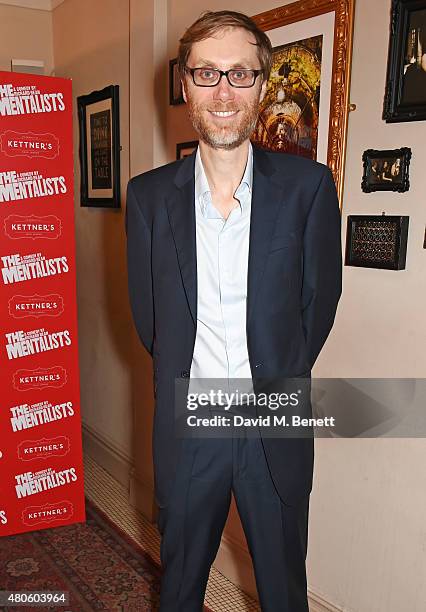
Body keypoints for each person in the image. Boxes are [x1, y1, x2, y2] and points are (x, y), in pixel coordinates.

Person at [126, 10, 342, 612]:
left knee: (282, 592)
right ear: (185, 84)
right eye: (206, 73)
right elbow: (152, 324)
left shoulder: (309, 189)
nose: (223, 92)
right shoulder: (147, 197)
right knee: (180, 589)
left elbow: (318, 305)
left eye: (240, 75)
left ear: (263, 86)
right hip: (191, 423)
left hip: (275, 420)